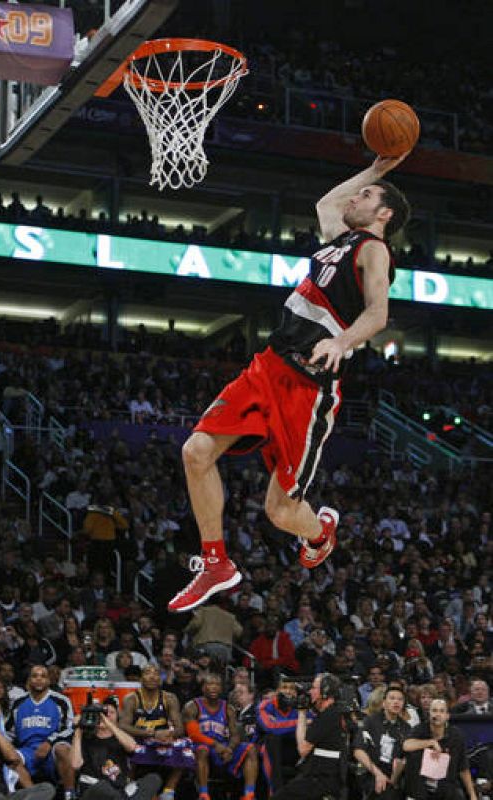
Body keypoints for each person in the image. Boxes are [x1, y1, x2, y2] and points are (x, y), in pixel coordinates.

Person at [168, 153, 411, 612]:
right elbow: (326, 203)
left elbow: (378, 313)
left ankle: (321, 533)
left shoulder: (374, 250)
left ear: (385, 214)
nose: (355, 197)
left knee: (280, 512)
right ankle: (215, 562)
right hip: (268, 366)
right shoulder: (339, 237)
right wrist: (378, 169)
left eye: (367, 196)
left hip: (308, 386)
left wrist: (341, 342)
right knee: (195, 451)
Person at [120, 664, 195, 800]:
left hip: (162, 739)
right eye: (148, 673)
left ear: (160, 679)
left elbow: (180, 728)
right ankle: (129, 784)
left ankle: (169, 790)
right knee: (130, 746)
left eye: (156, 673)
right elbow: (123, 726)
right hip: (139, 737)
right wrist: (152, 734)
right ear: (141, 678)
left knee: (186, 745)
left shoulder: (169, 698)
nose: (153, 676)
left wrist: (169, 734)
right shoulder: (132, 698)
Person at [272, 673, 348, 800]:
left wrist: (302, 713)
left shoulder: (328, 716)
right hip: (321, 776)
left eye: (314, 688)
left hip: (321, 780)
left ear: (325, 691)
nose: (310, 691)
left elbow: (302, 750)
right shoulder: (332, 713)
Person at [183, 674, 259, 800]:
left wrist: (229, 748)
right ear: (203, 688)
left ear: (221, 688)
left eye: (217, 685)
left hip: (222, 747)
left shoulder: (228, 708)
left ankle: (249, 794)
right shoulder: (192, 706)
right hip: (200, 746)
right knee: (202, 749)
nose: (213, 688)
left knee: (251, 748)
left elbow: (235, 734)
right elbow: (194, 735)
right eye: (210, 684)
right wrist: (215, 745)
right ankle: (203, 794)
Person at [71, 696, 162, 800]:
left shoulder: (121, 737)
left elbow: (132, 747)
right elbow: (75, 764)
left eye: (111, 712)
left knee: (153, 779)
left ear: (118, 716)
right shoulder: (85, 737)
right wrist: (78, 729)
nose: (106, 715)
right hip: (94, 789)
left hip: (120, 788)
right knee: (104, 787)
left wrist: (108, 723)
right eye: (103, 712)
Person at [6, 665, 75, 800]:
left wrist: (49, 742)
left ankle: (70, 794)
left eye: (43, 676)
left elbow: (70, 728)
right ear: (29, 680)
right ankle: (34, 794)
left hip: (53, 748)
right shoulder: (18, 703)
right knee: (11, 757)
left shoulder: (61, 701)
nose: (39, 679)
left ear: (49, 680)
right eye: (35, 676)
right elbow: (9, 732)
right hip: (27, 750)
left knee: (62, 749)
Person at [402, 697, 478, 800]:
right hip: (418, 790)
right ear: (429, 714)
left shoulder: (456, 736)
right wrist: (431, 742)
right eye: (434, 710)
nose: (437, 714)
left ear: (447, 716)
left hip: (446, 790)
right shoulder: (420, 729)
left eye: (442, 711)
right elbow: (406, 745)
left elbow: (463, 768)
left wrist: (472, 795)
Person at [256, 677, 315, 793]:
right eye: (284, 687)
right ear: (277, 691)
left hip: (294, 748)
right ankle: (275, 792)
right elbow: (269, 727)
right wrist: (300, 722)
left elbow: (313, 724)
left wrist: (280, 724)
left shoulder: (302, 706)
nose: (288, 691)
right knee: (272, 739)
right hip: (269, 747)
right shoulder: (266, 705)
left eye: (292, 688)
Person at [353, 684, 410, 799]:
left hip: (394, 778)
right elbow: (358, 751)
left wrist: (394, 777)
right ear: (384, 703)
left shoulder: (406, 728)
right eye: (392, 698)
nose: (396, 702)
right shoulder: (371, 721)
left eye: (400, 699)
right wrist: (378, 774)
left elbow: (405, 758)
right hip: (370, 772)